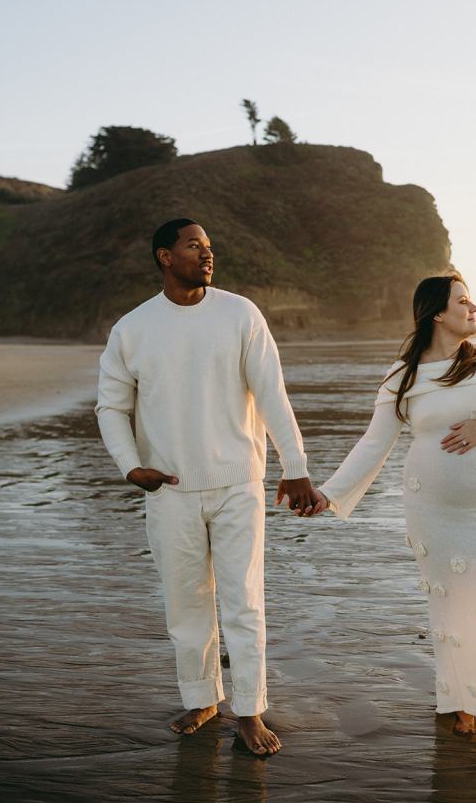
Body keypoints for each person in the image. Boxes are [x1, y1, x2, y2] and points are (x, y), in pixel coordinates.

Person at [306, 273, 476, 755]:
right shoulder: (404, 376)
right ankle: (464, 704)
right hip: (432, 512)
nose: (474, 307)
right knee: (454, 612)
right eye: (463, 301)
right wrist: (328, 494)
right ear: (438, 312)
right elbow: (374, 444)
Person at [95, 218, 319, 755]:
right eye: (193, 245)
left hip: (238, 481)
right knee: (186, 604)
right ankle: (202, 698)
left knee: (244, 601)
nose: (206, 254)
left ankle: (250, 710)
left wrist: (296, 465)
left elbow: (271, 393)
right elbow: (111, 405)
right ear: (164, 256)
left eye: (209, 246)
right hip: (168, 488)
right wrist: (130, 465)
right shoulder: (134, 327)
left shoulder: (240, 313)